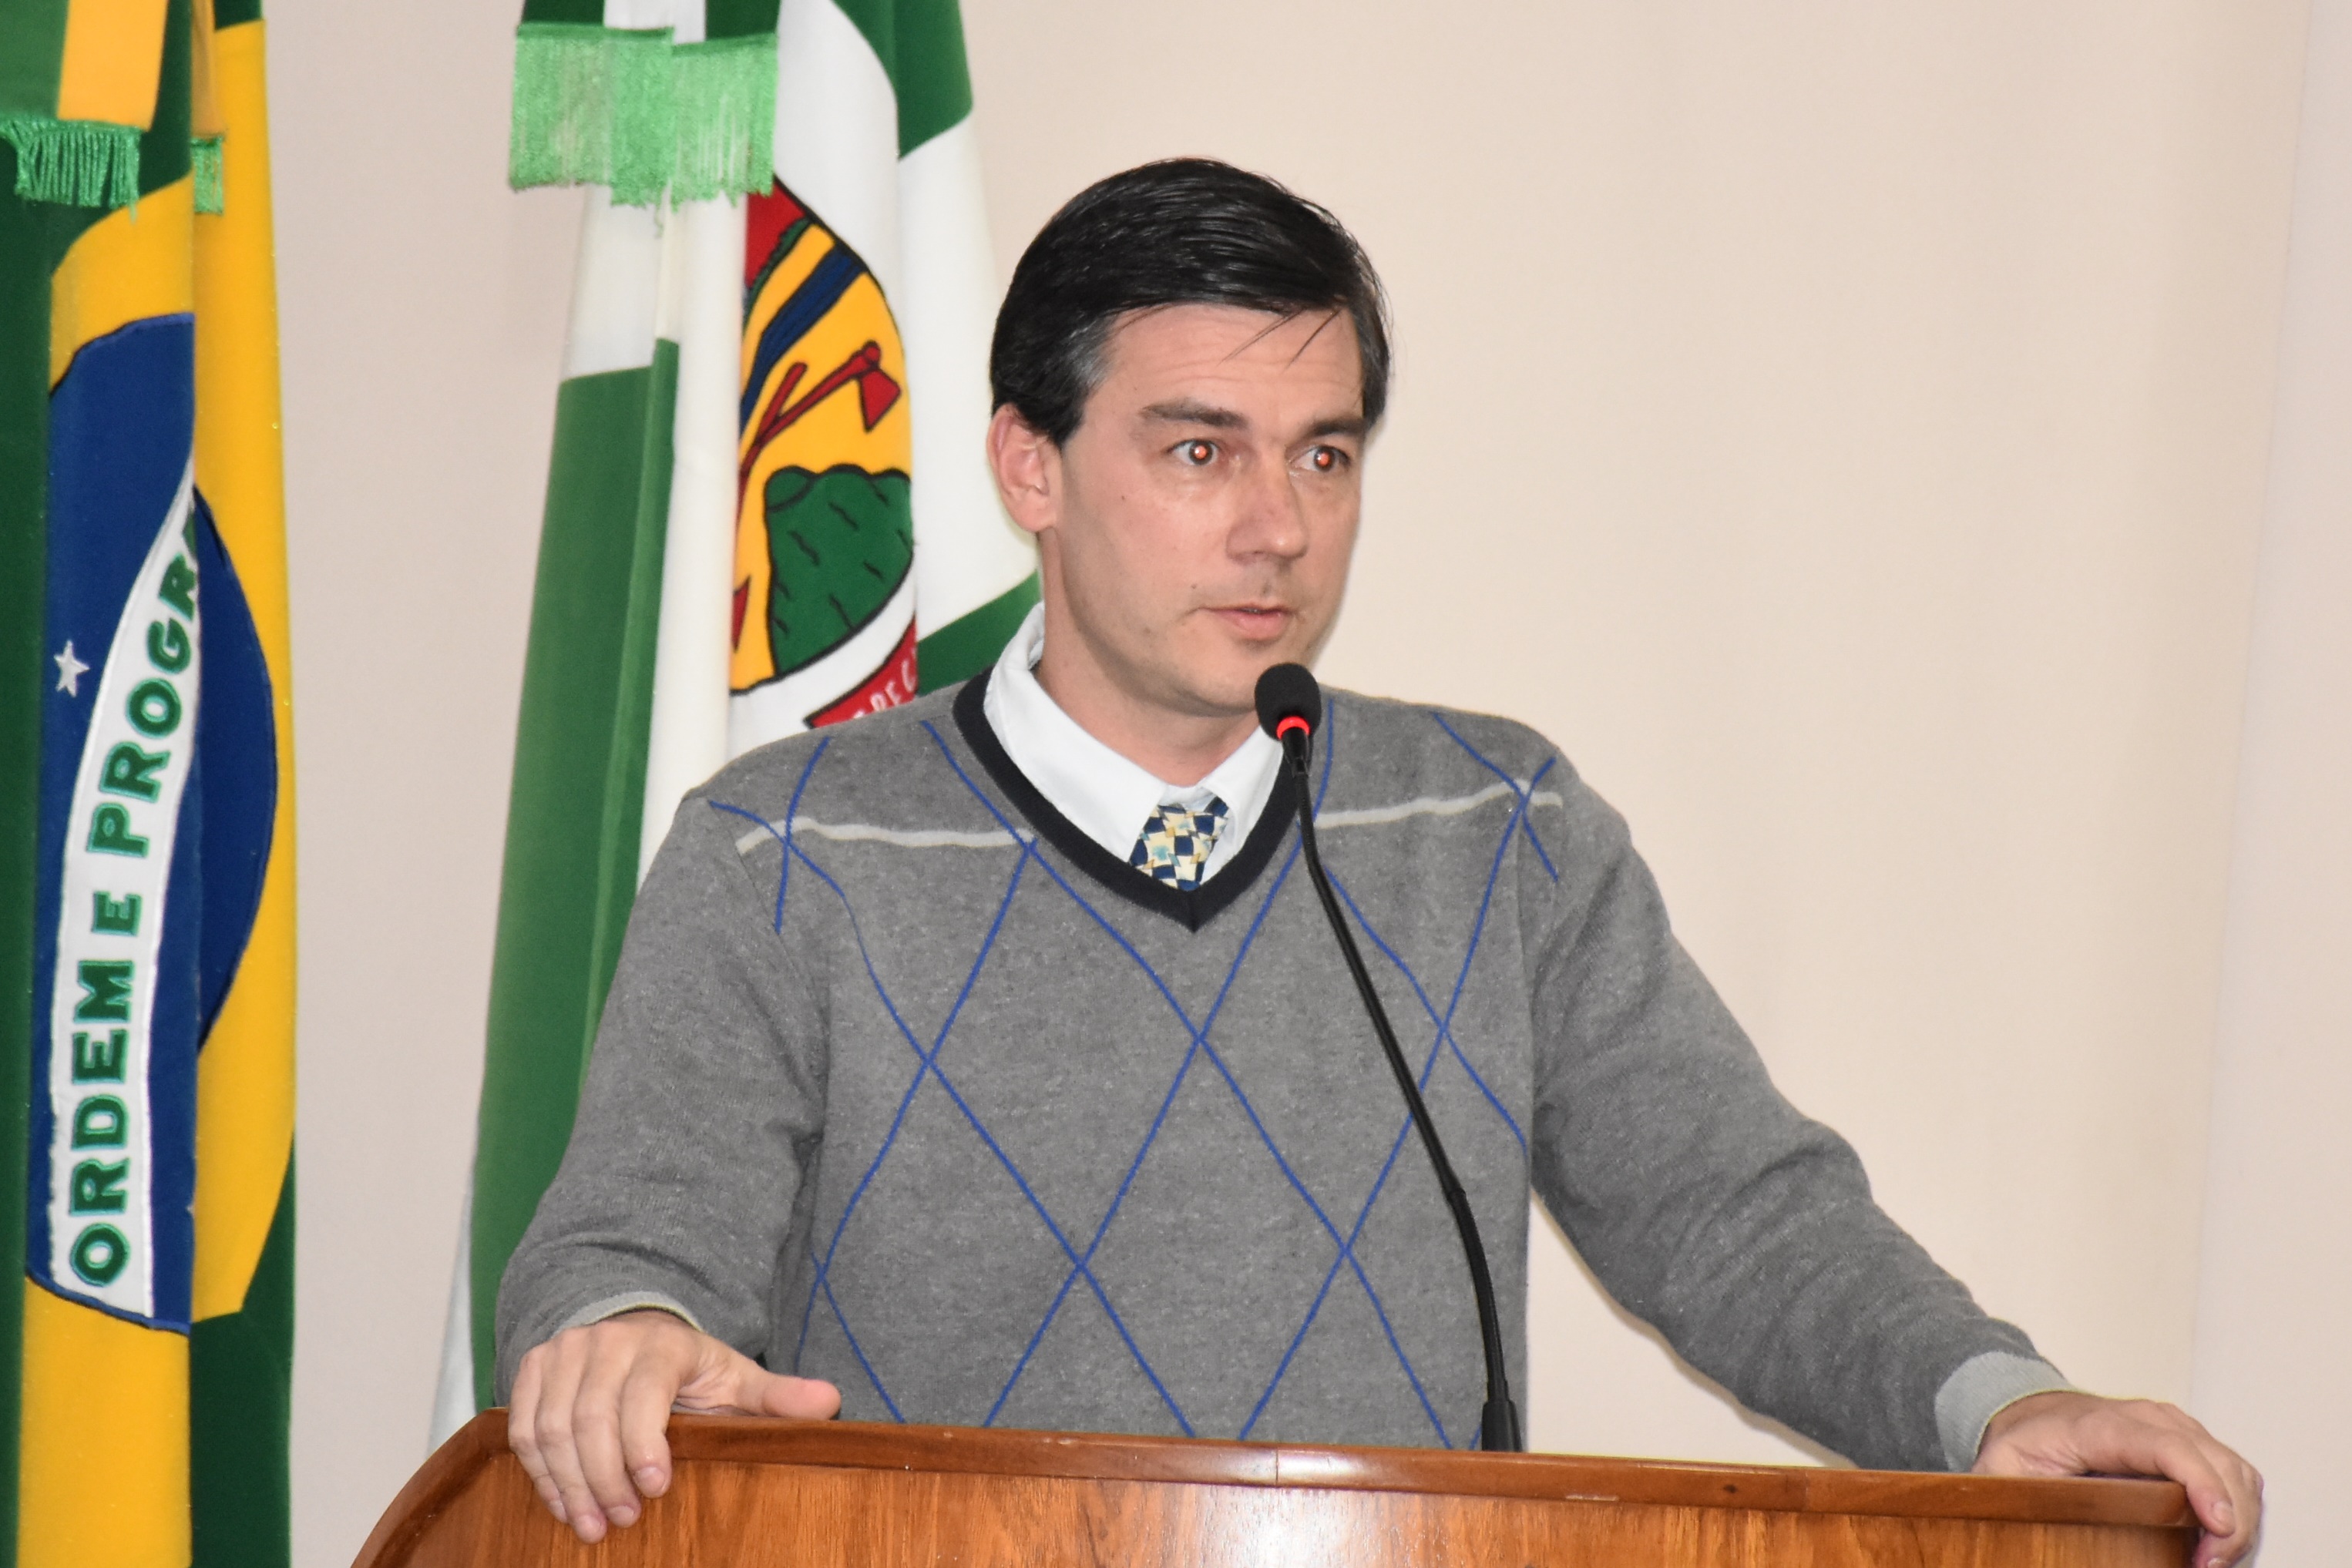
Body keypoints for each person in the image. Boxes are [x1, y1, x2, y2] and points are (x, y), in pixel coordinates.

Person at [496, 159, 2262, 1563]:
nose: (1276, 526)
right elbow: (626, 1251)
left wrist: (1990, 1403)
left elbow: (1734, 1216)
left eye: (1322, 455)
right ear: (1028, 467)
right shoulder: (784, 849)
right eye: (1199, 450)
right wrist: (627, 1331)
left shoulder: (1492, 829)